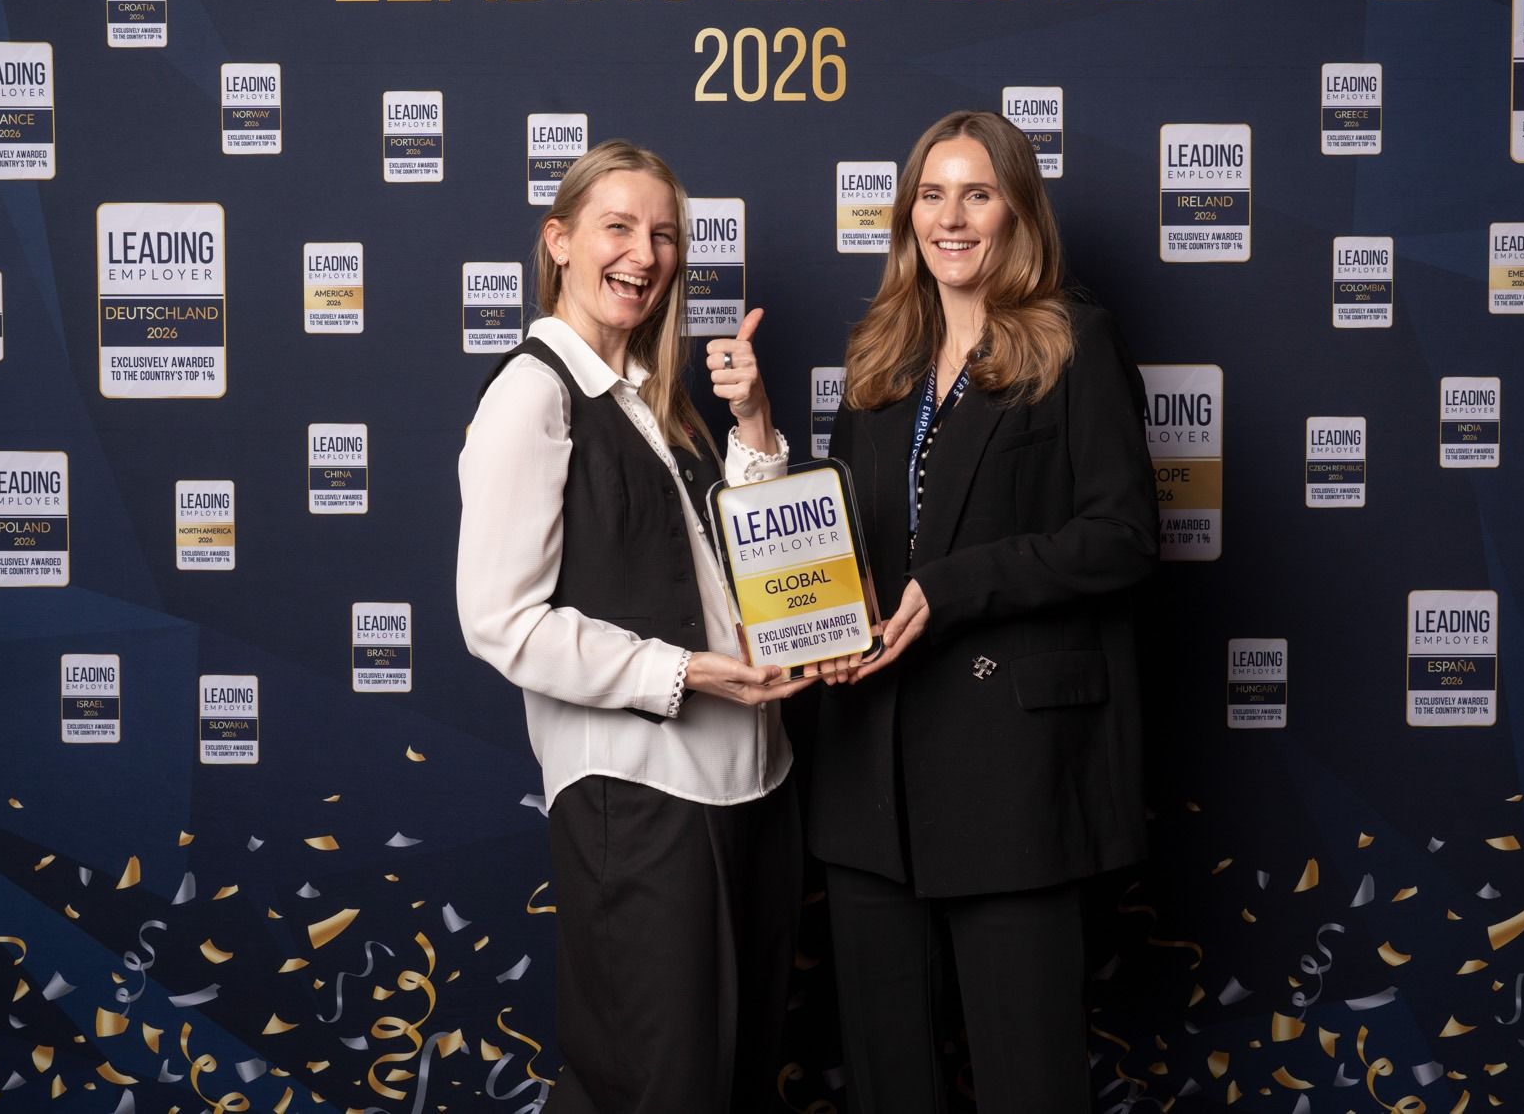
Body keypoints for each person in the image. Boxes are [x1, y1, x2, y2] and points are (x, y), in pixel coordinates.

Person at [810, 110, 1160, 1113]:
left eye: (976, 192)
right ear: (904, 213)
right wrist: (823, 620)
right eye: (930, 193)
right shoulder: (878, 360)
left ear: (1016, 209)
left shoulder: (1071, 340)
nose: (949, 217)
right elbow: (845, 543)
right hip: (869, 774)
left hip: (1011, 777)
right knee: (888, 1084)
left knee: (1027, 1083)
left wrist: (957, 585)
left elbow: (1124, 534)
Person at [456, 140, 816, 1114]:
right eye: (618, 226)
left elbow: (756, 568)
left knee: (732, 1081)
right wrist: (681, 673)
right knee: (655, 1086)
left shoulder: (662, 406)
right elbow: (499, 621)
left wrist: (752, 429)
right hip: (641, 800)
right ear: (559, 241)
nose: (644, 252)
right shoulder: (533, 395)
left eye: (663, 234)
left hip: (753, 788)